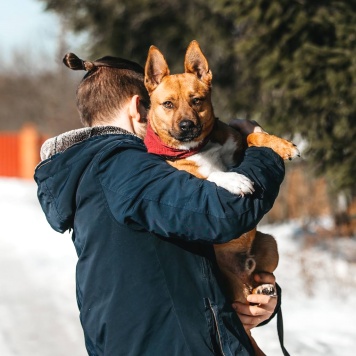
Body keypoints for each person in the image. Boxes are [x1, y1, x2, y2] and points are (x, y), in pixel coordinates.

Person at [34, 52, 284, 356]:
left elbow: (181, 263)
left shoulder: (94, 173)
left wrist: (252, 299)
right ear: (140, 108)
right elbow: (225, 213)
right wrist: (265, 149)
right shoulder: (122, 167)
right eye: (163, 106)